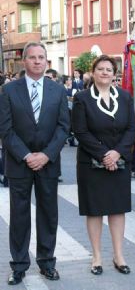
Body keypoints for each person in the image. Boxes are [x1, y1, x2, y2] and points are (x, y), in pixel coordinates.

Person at [0, 42, 70, 285]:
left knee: (48, 214)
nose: (37, 61)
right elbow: (5, 129)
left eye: (41, 57)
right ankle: (18, 265)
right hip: (20, 164)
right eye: (32, 57)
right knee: (19, 216)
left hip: (48, 164)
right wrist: (27, 155)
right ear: (24, 61)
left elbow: (64, 127)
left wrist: (46, 155)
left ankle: (47, 263)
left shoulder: (58, 91)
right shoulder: (9, 91)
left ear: (47, 61)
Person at [71, 55, 135, 275]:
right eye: (101, 69)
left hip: (119, 162)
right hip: (91, 163)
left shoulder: (125, 97)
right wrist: (104, 155)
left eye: (109, 69)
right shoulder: (82, 98)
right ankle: (97, 257)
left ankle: (119, 256)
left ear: (114, 73)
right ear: (93, 72)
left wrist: (117, 153)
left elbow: (131, 129)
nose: (105, 73)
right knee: (95, 210)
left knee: (118, 209)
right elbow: (80, 131)